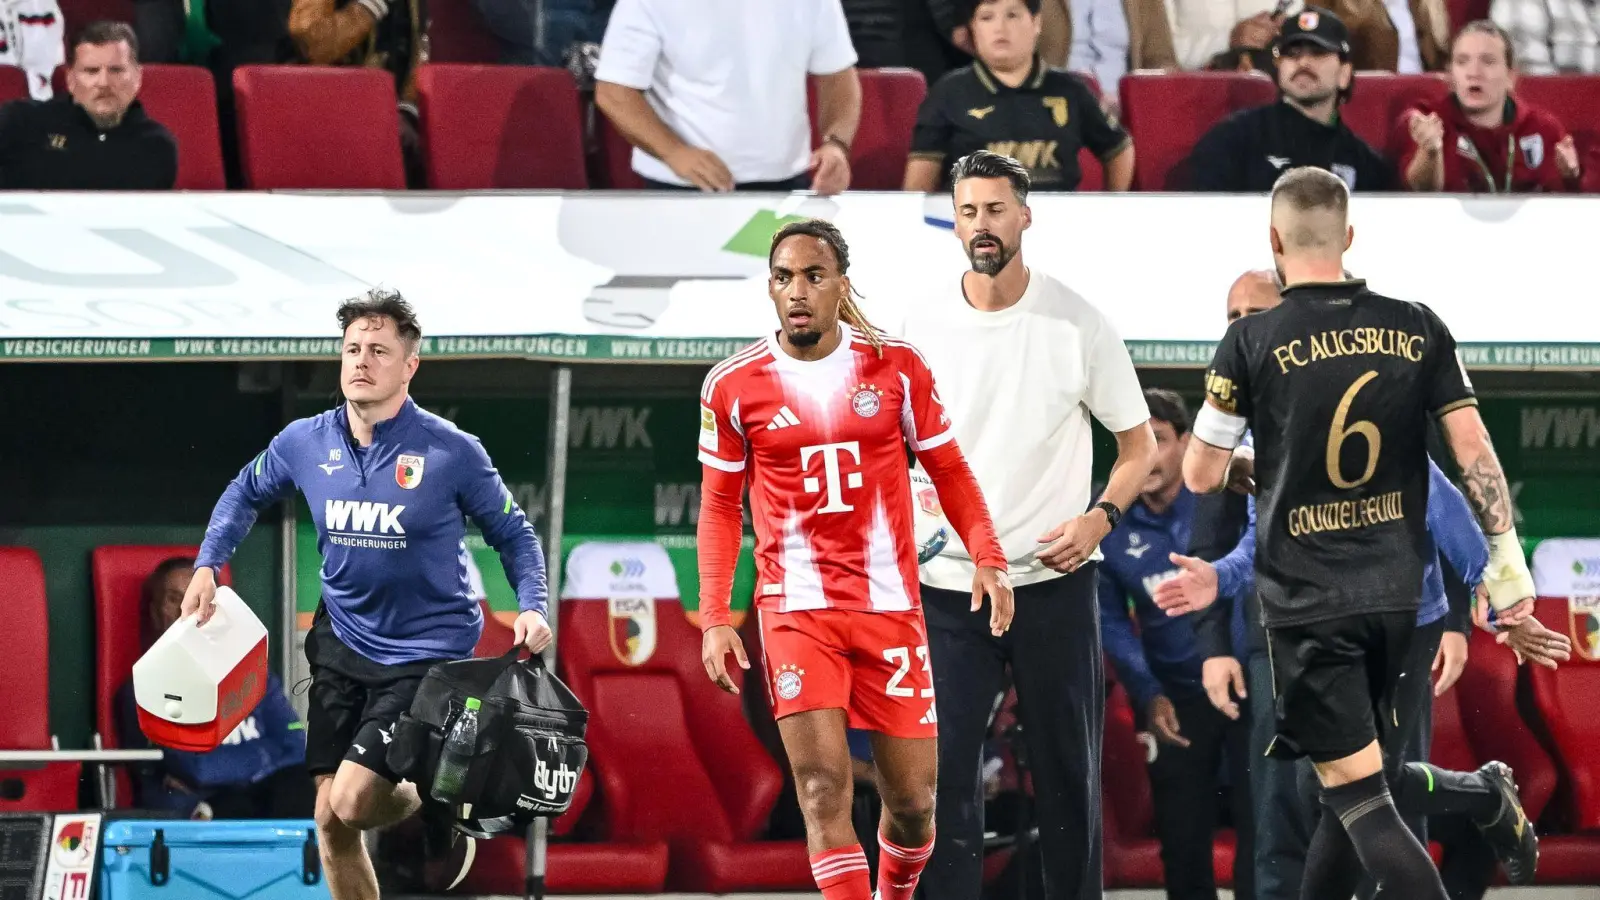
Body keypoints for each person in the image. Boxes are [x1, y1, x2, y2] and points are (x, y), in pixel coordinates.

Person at [1178, 165, 1545, 899]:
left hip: (1310, 607)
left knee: (1358, 803)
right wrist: (1507, 578)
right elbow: (1472, 454)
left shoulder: (1249, 341)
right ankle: (1482, 794)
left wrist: (1252, 468)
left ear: (1275, 240)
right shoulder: (1419, 325)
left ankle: (1480, 797)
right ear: (1348, 236)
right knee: (1345, 797)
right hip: (1402, 606)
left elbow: (1198, 473)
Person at [184, 289, 553, 900]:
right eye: (352, 348)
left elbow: (515, 534)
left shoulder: (452, 451)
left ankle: (441, 792)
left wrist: (533, 604)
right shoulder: (304, 441)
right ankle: (434, 789)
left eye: (379, 350)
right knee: (328, 821)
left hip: (426, 655)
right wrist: (207, 563)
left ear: (410, 366)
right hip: (341, 644)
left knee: (353, 802)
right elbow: (244, 491)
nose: (361, 360)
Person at [696, 218, 1014, 900]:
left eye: (813, 276)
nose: (797, 291)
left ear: (841, 285)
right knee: (820, 788)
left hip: (889, 609)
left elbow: (949, 469)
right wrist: (717, 615)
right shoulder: (732, 384)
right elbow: (720, 506)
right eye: (783, 277)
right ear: (770, 288)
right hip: (796, 613)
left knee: (914, 804)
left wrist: (987, 555)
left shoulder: (896, 367)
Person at [896, 149, 1157, 900]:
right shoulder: (917, 324)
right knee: (941, 784)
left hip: (1053, 584)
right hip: (949, 589)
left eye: (996, 210)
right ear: (954, 223)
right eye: (969, 211)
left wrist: (1100, 519)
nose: (982, 224)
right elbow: (892, 447)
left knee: (1069, 778)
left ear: (1025, 216)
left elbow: (1139, 447)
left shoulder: (1078, 322)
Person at [1097, 388, 1253, 900]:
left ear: (1186, 442)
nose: (1146, 455)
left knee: (1265, 829)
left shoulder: (1223, 497)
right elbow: (1110, 621)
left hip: (1248, 686)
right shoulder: (1108, 520)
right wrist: (1148, 692)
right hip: (1176, 697)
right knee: (1182, 840)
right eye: (1132, 442)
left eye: (1158, 440)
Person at [116, 557, 315, 821]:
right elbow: (197, 768)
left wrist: (235, 769)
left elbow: (296, 744)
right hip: (200, 815)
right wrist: (266, 755)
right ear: (154, 613)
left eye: (199, 599)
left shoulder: (252, 673)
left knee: (301, 786)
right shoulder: (146, 687)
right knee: (239, 807)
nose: (187, 609)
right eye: (174, 599)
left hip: (262, 801)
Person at [594, 0, 861, 193]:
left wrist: (836, 144)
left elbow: (838, 75)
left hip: (787, 181)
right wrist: (674, 152)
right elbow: (614, 91)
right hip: (680, 185)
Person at [904, 0, 1136, 193]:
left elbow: (1119, 150)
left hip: (1058, 223)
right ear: (972, 28)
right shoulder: (948, 93)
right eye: (986, 17)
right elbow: (917, 186)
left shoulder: (1071, 90)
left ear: (1036, 23)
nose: (1000, 28)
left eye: (1012, 15)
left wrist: (1111, 204)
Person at [1186, 9, 1391, 192]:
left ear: (1344, 74)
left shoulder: (1366, 165)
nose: (1303, 62)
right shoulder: (1233, 139)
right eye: (1292, 54)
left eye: (1318, 53)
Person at [1396, 20, 1597, 193]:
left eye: (1488, 61)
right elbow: (1419, 191)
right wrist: (1430, 152)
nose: (1473, 72)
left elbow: (1567, 210)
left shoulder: (1543, 130)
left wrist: (1571, 178)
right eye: (1462, 61)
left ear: (1511, 77)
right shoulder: (1429, 123)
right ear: (1450, 77)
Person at [0, 21, 176, 190]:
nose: (104, 82)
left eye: (116, 70)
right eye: (91, 71)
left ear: (138, 77)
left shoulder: (156, 146)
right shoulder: (20, 124)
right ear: (70, 80)